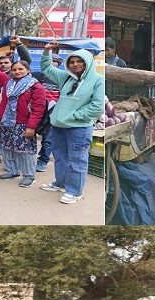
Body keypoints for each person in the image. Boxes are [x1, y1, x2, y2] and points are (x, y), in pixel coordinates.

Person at [39, 43, 104, 203]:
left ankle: (75, 192)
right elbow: (47, 68)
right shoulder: (66, 77)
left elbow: (97, 107)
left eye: (79, 61)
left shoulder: (98, 80)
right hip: (59, 125)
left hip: (79, 128)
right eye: (72, 62)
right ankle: (60, 183)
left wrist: (74, 115)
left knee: (77, 160)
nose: (75, 65)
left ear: (87, 62)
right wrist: (47, 51)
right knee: (60, 157)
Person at [0, 55, 45, 185]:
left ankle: (29, 175)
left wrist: (31, 127)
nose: (17, 72)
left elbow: (38, 109)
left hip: (23, 124)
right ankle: (12, 171)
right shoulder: (7, 82)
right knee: (6, 148)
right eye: (14, 70)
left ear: (28, 70)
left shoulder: (35, 87)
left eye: (20, 69)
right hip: (5, 122)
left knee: (24, 151)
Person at [34, 53, 64, 173]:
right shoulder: (36, 76)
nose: (52, 63)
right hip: (36, 111)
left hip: (53, 113)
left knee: (48, 138)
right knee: (29, 135)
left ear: (59, 64)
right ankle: (28, 158)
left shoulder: (62, 78)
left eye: (55, 61)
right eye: (49, 61)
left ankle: (43, 160)